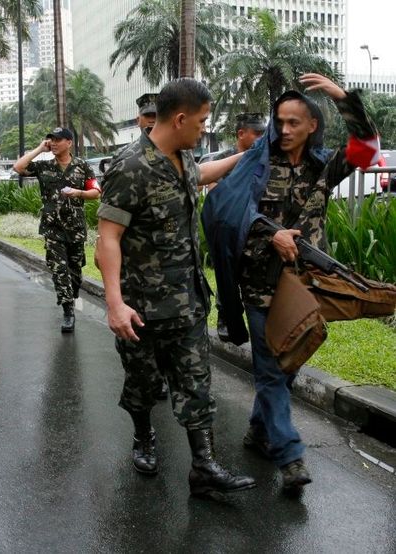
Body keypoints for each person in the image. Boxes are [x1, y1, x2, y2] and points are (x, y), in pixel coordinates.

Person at [203, 73, 379, 495]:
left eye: (293, 123)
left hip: (304, 285)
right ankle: (290, 455)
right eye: (279, 121)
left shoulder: (323, 166)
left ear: (312, 125)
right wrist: (269, 231)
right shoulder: (257, 163)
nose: (283, 130)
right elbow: (226, 210)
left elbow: (367, 148)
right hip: (261, 283)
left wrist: (341, 96)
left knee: (289, 366)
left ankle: (258, 432)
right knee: (270, 368)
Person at [95, 78, 255, 497]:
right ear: (180, 118)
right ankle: (144, 436)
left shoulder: (183, 159)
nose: (205, 127)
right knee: (144, 384)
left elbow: (203, 175)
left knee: (196, 383)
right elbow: (107, 238)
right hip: (142, 308)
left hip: (187, 301)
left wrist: (246, 155)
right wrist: (114, 304)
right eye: (202, 120)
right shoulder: (130, 167)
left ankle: (203, 466)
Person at [13, 127, 100, 332]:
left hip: (76, 227)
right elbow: (18, 167)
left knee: (75, 269)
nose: (53, 143)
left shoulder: (82, 166)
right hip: (52, 228)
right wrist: (39, 149)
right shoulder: (44, 166)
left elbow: (96, 192)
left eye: (58, 140)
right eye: (51, 139)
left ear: (69, 143)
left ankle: (73, 293)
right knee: (59, 269)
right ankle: (68, 311)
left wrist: (79, 192)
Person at [200, 113, 266, 341]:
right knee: (225, 278)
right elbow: (215, 192)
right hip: (227, 228)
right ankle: (225, 319)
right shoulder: (225, 160)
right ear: (241, 133)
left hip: (252, 230)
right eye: (257, 133)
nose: (261, 137)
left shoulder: (262, 159)